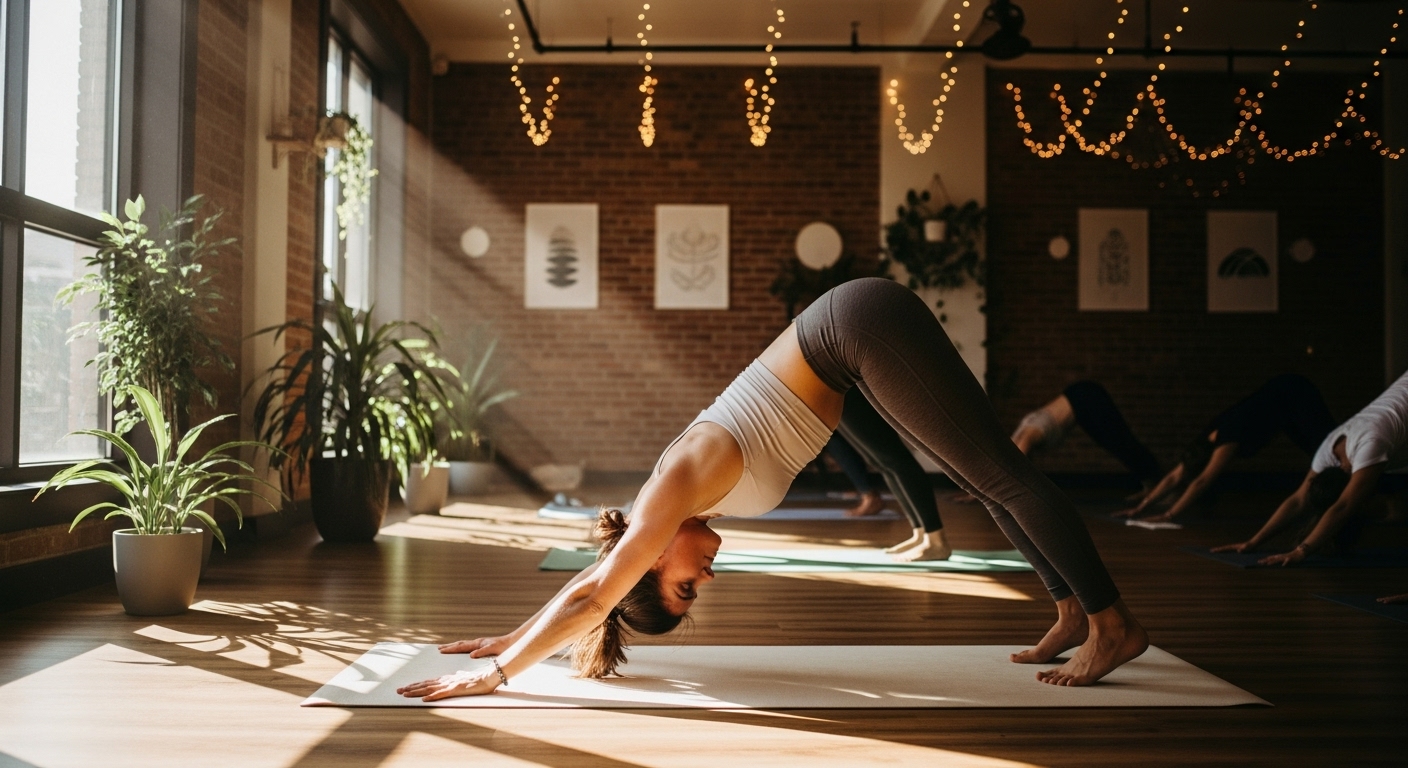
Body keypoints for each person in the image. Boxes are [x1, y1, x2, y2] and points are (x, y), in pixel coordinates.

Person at [396, 278, 1147, 702]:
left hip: (852, 329)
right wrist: (507, 635)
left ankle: (1111, 624)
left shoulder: (675, 488)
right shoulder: (668, 513)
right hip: (846, 354)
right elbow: (596, 585)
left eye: (689, 587)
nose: (707, 577)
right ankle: (1069, 606)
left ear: (652, 562)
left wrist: (492, 675)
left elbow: (596, 594)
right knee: (978, 478)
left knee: (999, 473)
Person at [1213, 370, 1408, 566]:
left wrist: (1300, 552)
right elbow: (1298, 500)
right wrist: (1252, 542)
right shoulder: (1330, 448)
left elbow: (1343, 506)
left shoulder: (1370, 445)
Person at [1118, 373, 1335, 522]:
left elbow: (1202, 481)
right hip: (1284, 403)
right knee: (1318, 453)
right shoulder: (1205, 440)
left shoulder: (1226, 441)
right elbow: (1173, 477)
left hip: (1296, 393)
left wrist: (1169, 515)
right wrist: (1141, 507)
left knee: (1328, 451)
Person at [952, 381, 1161, 503]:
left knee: (1120, 441)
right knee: (1115, 443)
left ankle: (1158, 483)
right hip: (1081, 402)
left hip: (1086, 398)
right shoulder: (1016, 437)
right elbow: (1001, 467)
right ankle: (1152, 484)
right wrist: (977, 493)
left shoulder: (1025, 436)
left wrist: (982, 495)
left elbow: (1012, 466)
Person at [835, 388, 950, 561]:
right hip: (831, 388)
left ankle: (936, 540)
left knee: (892, 458)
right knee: (880, 462)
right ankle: (920, 533)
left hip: (846, 383)